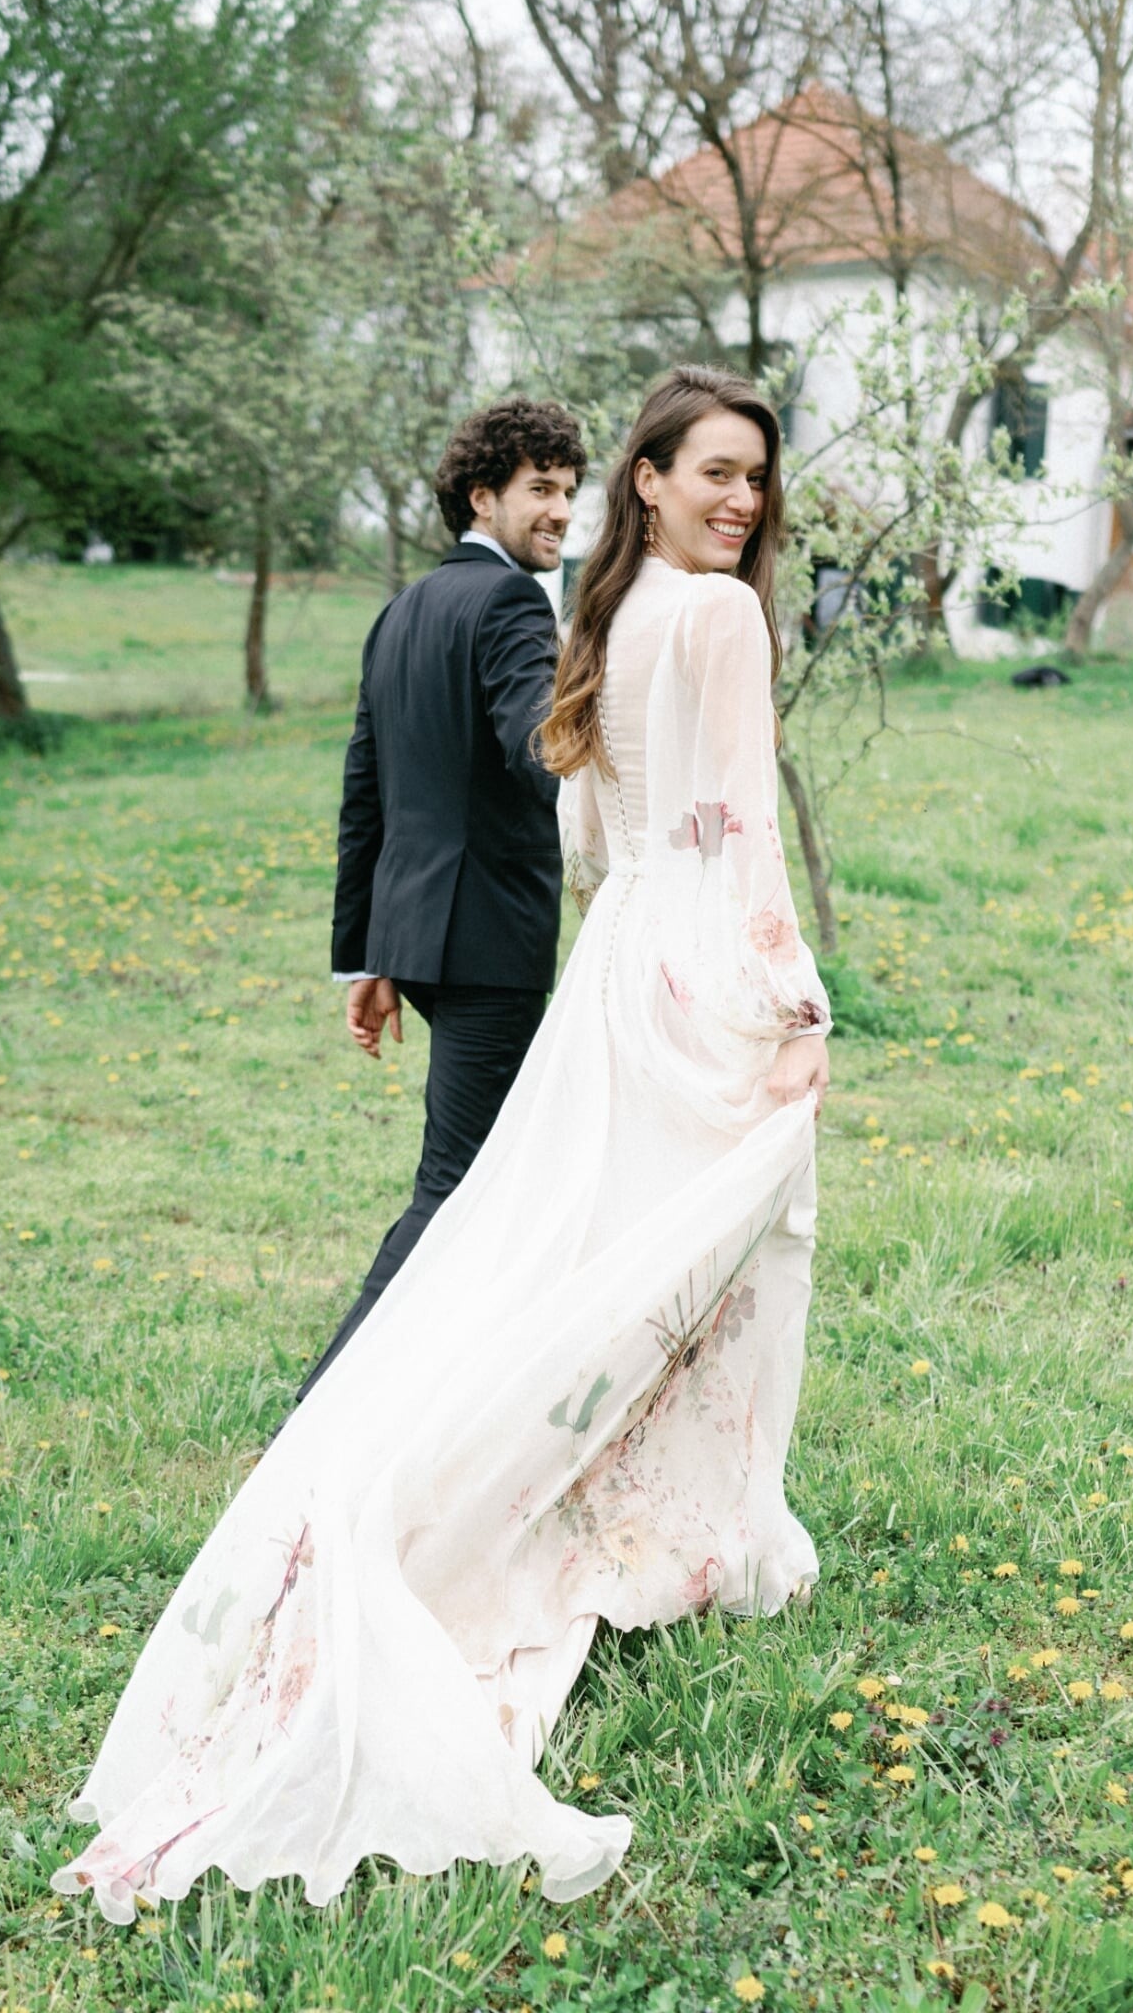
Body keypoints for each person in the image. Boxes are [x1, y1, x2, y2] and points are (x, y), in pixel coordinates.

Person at [51, 366, 832, 1923]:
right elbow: (725, 825)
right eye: (717, 473)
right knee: (640, 1249)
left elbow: (550, 818)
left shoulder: (578, 608)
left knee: (566, 1234)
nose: (743, 501)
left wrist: (381, 942)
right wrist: (791, 992)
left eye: (757, 478)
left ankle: (616, 1505)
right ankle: (642, 1517)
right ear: (651, 478)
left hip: (599, 956)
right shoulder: (703, 617)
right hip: (661, 956)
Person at [296, 398, 587, 1401]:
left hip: (423, 934)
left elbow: (366, 788)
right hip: (486, 941)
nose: (561, 511)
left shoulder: (403, 609)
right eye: (540, 489)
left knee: (503, 1169)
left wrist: (369, 955)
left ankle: (475, 1385)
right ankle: (327, 1409)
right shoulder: (511, 606)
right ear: (481, 496)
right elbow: (539, 750)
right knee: (457, 1183)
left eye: (568, 490)